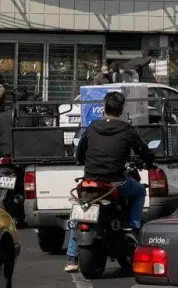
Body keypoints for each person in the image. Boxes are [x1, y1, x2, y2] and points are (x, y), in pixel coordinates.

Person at [65, 91, 155, 273]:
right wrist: (149, 162)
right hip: (115, 183)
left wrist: (83, 160)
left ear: (104, 108)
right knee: (139, 191)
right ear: (121, 110)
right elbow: (143, 151)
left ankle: (71, 258)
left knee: (82, 211)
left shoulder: (91, 127)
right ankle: (132, 227)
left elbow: (79, 153)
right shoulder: (127, 130)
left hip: (89, 182)